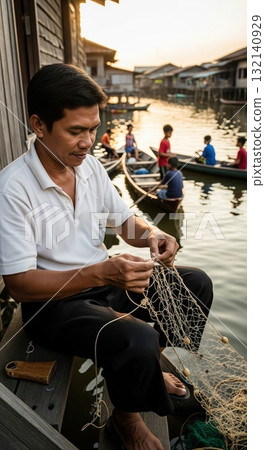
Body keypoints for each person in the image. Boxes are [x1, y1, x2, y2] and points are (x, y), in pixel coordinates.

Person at [0, 63, 213, 450]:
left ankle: (148, 368)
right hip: (52, 304)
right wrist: (102, 274)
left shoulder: (92, 168)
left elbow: (125, 223)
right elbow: (19, 285)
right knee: (135, 335)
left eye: (93, 129)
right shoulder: (12, 188)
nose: (88, 142)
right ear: (38, 124)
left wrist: (154, 234)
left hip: (103, 282)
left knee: (194, 283)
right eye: (76, 131)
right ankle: (126, 419)